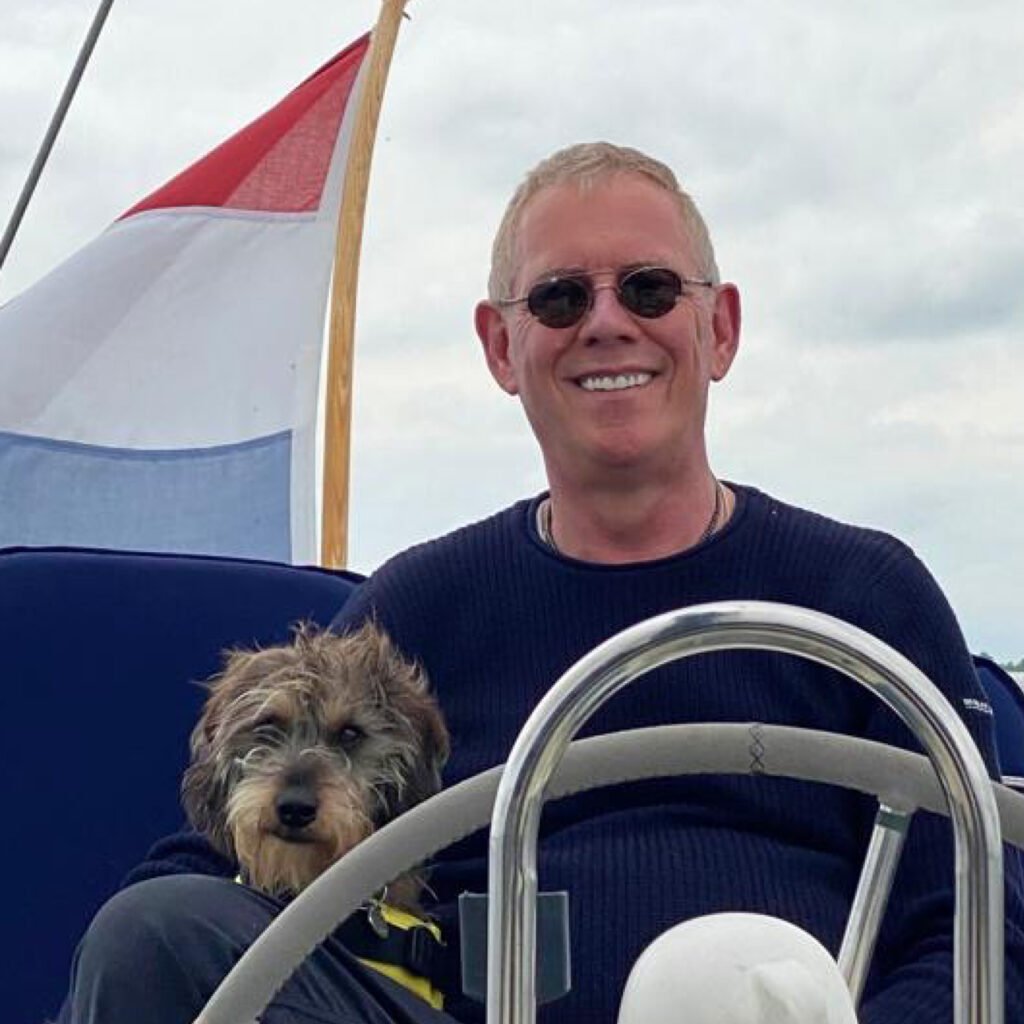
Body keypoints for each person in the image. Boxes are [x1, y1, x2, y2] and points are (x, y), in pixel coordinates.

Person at [60, 142, 1024, 1024]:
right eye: (561, 299)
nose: (607, 324)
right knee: (156, 931)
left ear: (719, 329)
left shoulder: (866, 596)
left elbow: (981, 925)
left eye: (648, 290)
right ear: (499, 347)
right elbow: (215, 862)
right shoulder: (421, 609)